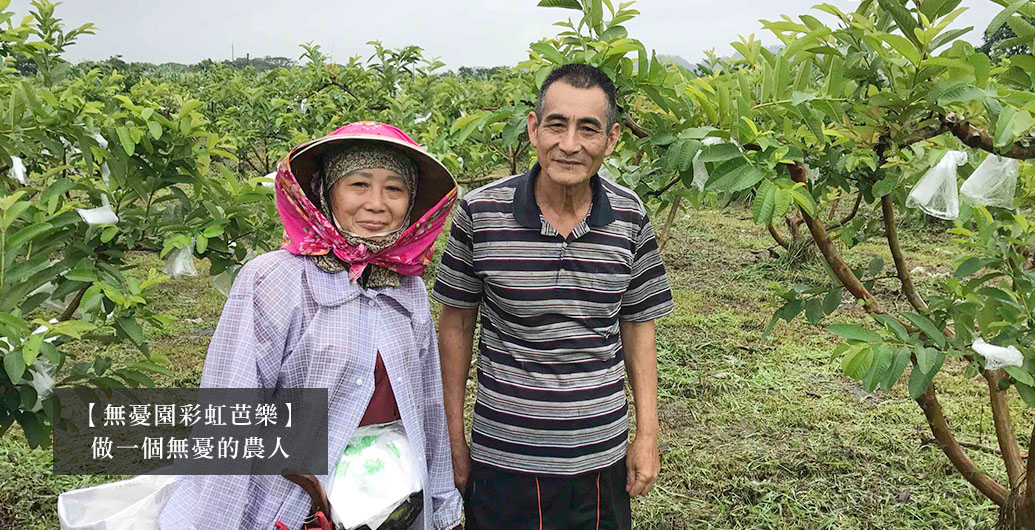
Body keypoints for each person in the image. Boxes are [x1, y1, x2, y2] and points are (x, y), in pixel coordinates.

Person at [158, 121, 463, 530]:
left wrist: (442, 505)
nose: (376, 203)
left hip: (388, 491)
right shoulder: (274, 279)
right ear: (326, 192)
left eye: (394, 189)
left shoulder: (406, 286)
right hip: (290, 498)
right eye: (358, 184)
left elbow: (426, 404)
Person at [433, 64, 674, 530]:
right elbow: (456, 327)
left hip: (599, 458)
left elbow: (639, 327)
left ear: (612, 139)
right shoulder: (480, 213)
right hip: (504, 457)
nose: (569, 144)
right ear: (532, 128)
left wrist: (647, 434)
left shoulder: (630, 217)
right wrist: (454, 438)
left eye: (588, 129)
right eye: (556, 124)